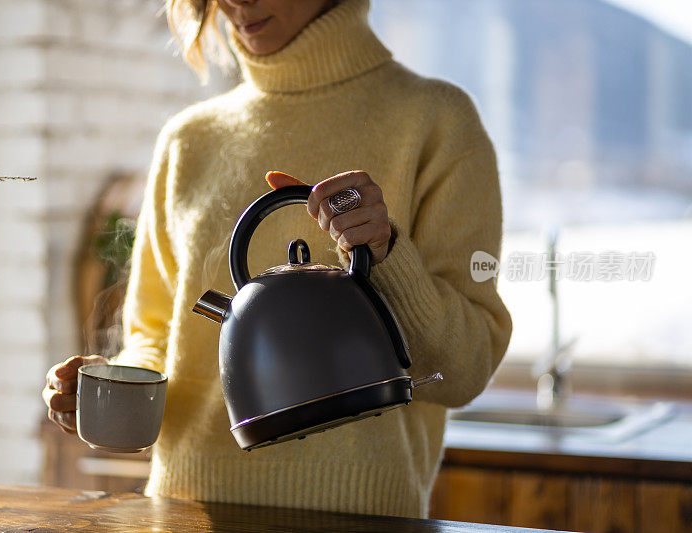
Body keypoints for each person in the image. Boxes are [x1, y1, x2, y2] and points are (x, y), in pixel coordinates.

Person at [43, 0, 512, 519]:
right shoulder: (188, 140)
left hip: (357, 520)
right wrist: (113, 384)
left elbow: (464, 372)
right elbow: (156, 337)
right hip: (186, 514)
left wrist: (385, 257)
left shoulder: (435, 123)